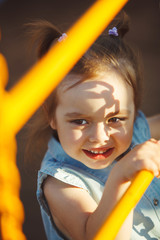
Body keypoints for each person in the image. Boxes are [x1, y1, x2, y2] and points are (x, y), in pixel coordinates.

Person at [26, 15, 160, 240]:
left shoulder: (134, 128)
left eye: (115, 119)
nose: (100, 137)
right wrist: (120, 176)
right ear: (52, 116)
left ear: (133, 109)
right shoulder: (60, 184)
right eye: (80, 121)